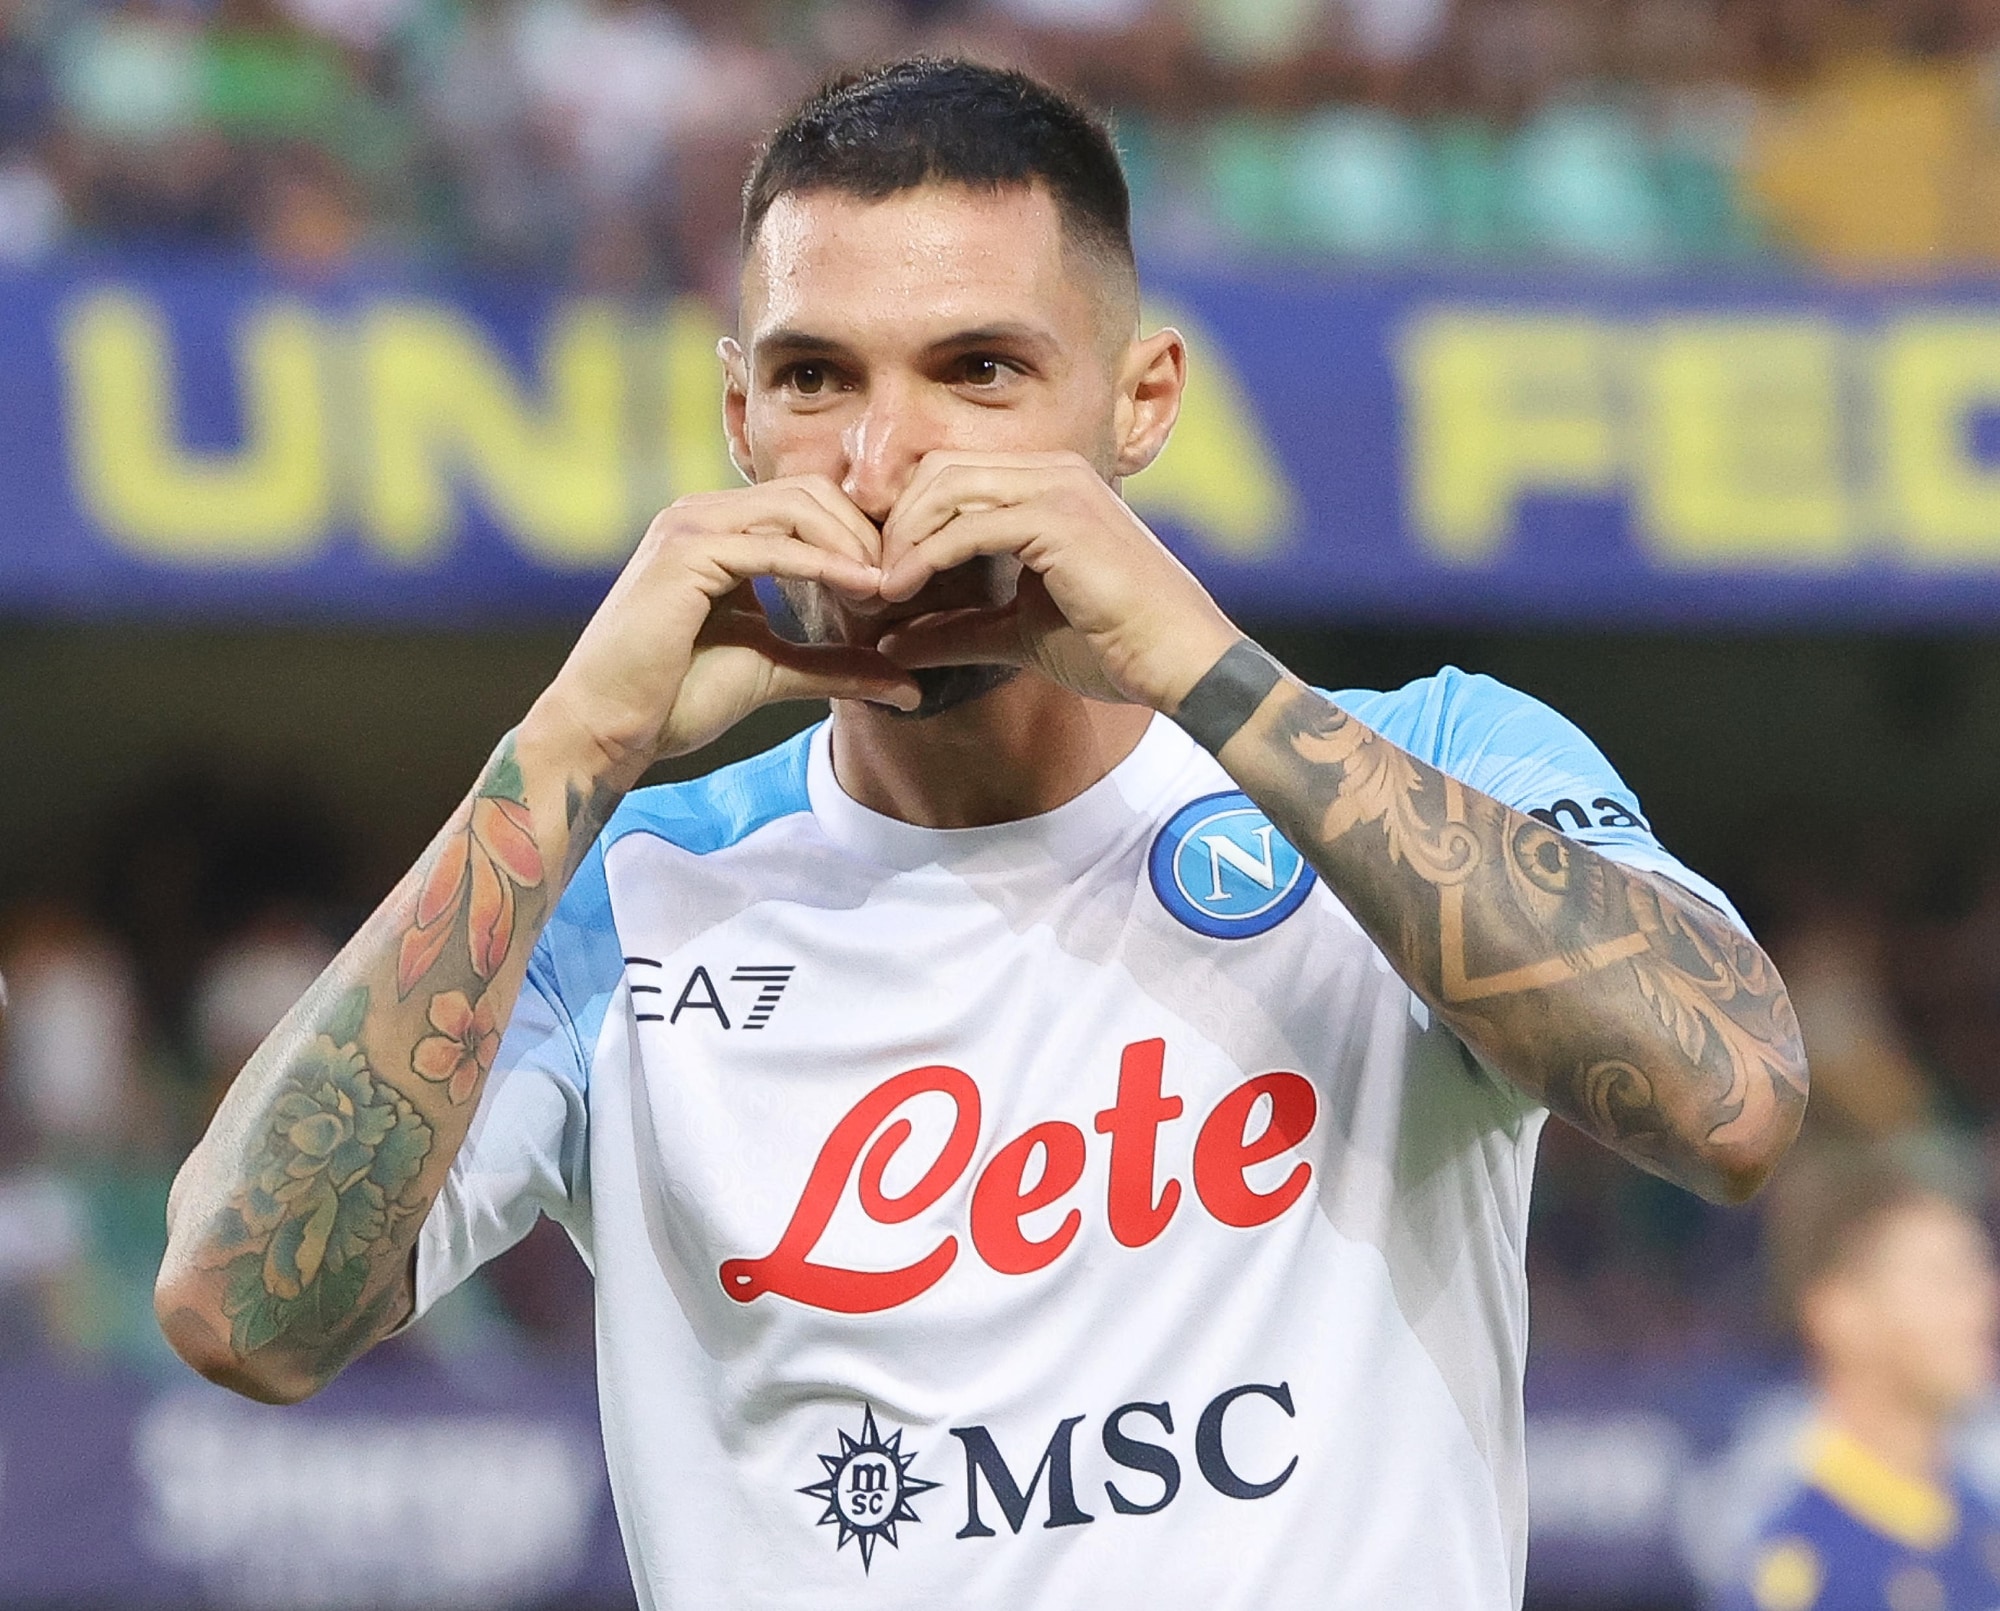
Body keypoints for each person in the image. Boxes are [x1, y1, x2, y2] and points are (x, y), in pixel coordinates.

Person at [154, 57, 1808, 1609]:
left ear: (1141, 401)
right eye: (815, 377)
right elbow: (243, 1312)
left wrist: (1207, 675)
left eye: (981, 370)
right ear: (738, 416)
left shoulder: (1430, 762)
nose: (884, 459)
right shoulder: (623, 895)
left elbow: (1728, 1099)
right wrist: (568, 748)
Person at [1718, 1154, 2000, 1611]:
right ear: (1839, 1312)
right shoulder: (1803, 1575)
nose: (1983, 1305)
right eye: (1944, 1278)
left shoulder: (1983, 1526)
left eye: (1980, 1272)